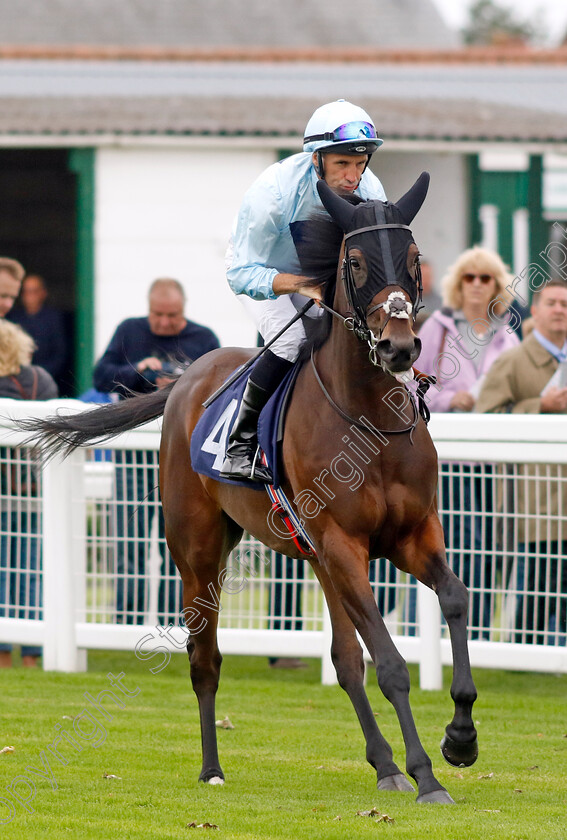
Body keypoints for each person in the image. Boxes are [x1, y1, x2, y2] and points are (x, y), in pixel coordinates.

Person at [221, 99, 386, 483]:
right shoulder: (273, 193)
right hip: (261, 270)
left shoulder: (371, 190)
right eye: (342, 163)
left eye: (360, 163)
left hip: (322, 275)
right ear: (316, 159)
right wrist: (300, 285)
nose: (353, 176)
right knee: (293, 341)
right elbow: (242, 274)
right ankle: (239, 445)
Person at [93, 278, 220, 625]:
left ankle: (172, 622)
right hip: (135, 451)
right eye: (157, 315)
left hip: (183, 456)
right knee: (128, 542)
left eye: (172, 315)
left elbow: (221, 384)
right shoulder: (129, 331)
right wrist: (138, 371)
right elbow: (100, 376)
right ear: (148, 309)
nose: (164, 322)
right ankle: (127, 622)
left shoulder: (204, 338)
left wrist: (182, 382)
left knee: (180, 544)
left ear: (184, 309)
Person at [417, 246, 520, 638]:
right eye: (469, 277)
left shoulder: (507, 335)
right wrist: (448, 399)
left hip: (495, 457)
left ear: (496, 285)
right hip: (449, 455)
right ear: (458, 284)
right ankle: (423, 631)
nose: (477, 285)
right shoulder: (437, 327)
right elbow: (412, 385)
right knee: (453, 543)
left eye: (486, 278)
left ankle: (472, 634)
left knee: (488, 547)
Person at [476, 279, 567, 645]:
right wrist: (538, 408)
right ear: (537, 310)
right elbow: (486, 416)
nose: (559, 310)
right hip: (535, 500)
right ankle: (522, 653)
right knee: (540, 585)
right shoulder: (511, 361)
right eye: (551, 303)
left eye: (565, 303)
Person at [0, 319, 58, 668]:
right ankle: (32, 654)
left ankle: (4, 651)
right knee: (31, 570)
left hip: (4, 489)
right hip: (35, 487)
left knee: (4, 571)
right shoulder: (42, 380)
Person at [8, 273, 69, 392]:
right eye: (26, 292)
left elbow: (60, 353)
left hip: (47, 379)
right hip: (17, 379)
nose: (29, 296)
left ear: (43, 293)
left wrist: (40, 374)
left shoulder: (53, 318)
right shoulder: (14, 318)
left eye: (33, 291)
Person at [414, 259, 441, 329]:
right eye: (421, 277)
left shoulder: (441, 302)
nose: (425, 280)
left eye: (427, 276)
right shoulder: (406, 302)